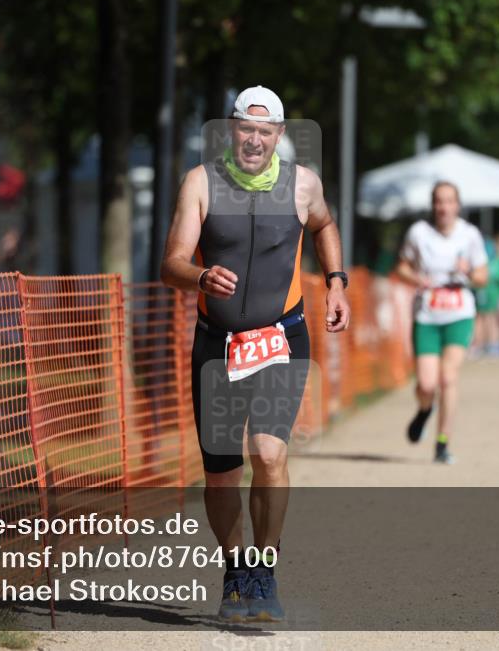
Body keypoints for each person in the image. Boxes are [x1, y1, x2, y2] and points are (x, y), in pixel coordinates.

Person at [160, 85, 350, 622]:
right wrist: (199, 273)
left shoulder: (302, 185)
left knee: (268, 455)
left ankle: (264, 569)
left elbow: (326, 225)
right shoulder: (200, 184)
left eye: (267, 131)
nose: (256, 140)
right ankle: (236, 566)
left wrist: (336, 282)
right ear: (230, 129)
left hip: (281, 338)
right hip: (217, 343)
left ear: (280, 136)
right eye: (247, 128)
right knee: (221, 473)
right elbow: (171, 261)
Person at [396, 181, 488, 464]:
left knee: (448, 378)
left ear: (457, 205)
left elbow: (483, 277)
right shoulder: (419, 233)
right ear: (433, 205)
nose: (443, 207)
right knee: (426, 384)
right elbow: (402, 266)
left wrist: (468, 271)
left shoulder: (469, 235)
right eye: (439, 201)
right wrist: (416, 279)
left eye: (449, 201)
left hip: (459, 314)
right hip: (427, 315)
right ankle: (425, 410)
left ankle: (442, 442)